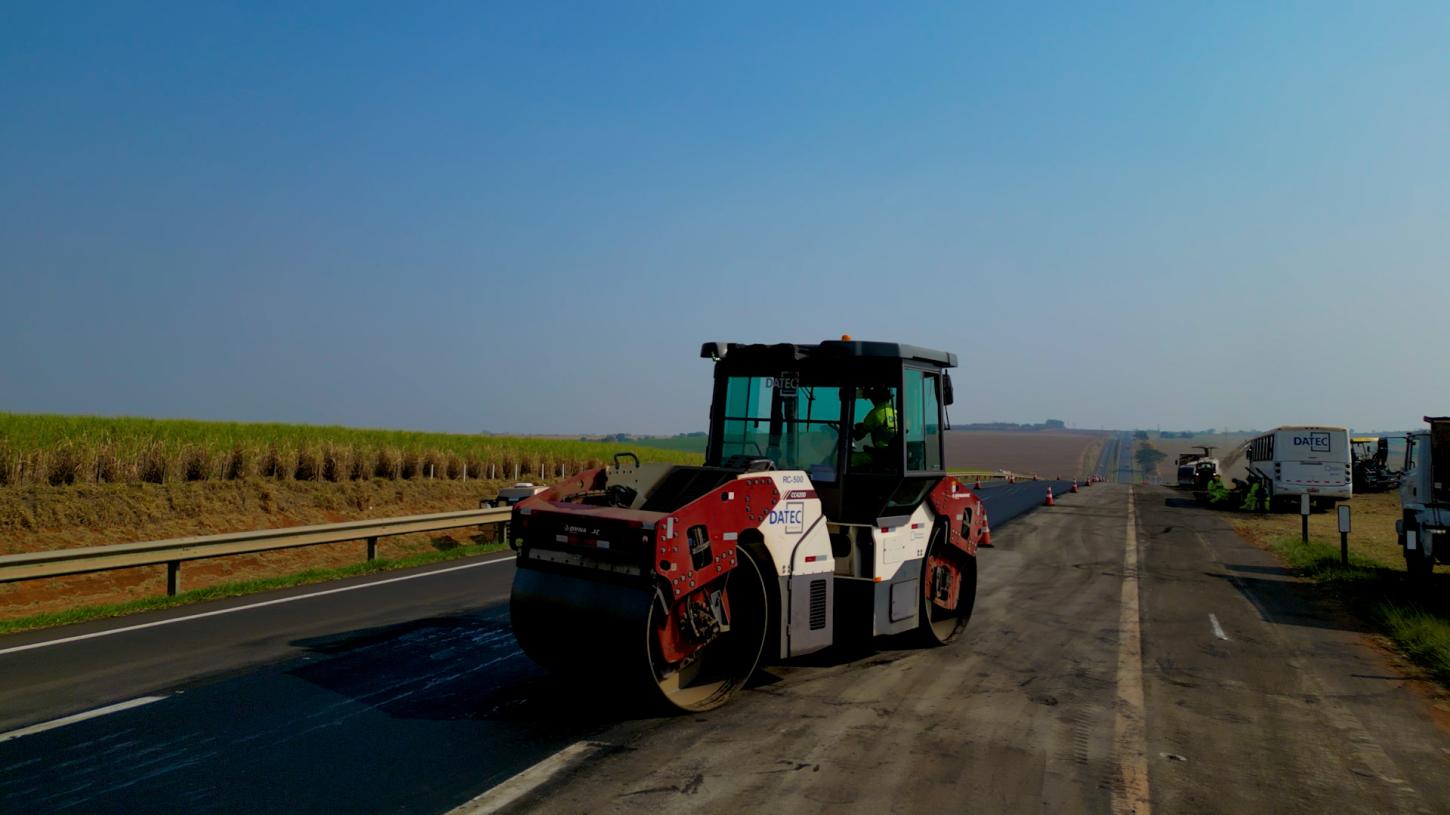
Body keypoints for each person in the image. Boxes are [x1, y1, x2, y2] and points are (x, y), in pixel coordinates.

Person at [851, 385, 898, 469]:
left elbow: (858, 435)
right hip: (893, 456)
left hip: (881, 456)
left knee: (850, 459)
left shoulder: (875, 414)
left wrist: (855, 429)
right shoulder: (895, 412)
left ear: (875, 397)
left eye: (871, 397)